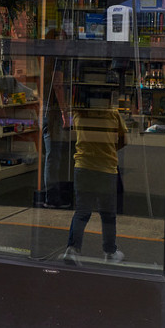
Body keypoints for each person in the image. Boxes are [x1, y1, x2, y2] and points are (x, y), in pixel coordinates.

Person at [62, 95, 127, 265]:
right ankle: (110, 252)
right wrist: (108, 150)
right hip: (106, 168)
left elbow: (73, 131)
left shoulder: (79, 113)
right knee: (108, 214)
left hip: (83, 166)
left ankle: (72, 249)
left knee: (82, 211)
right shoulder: (113, 114)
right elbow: (123, 140)